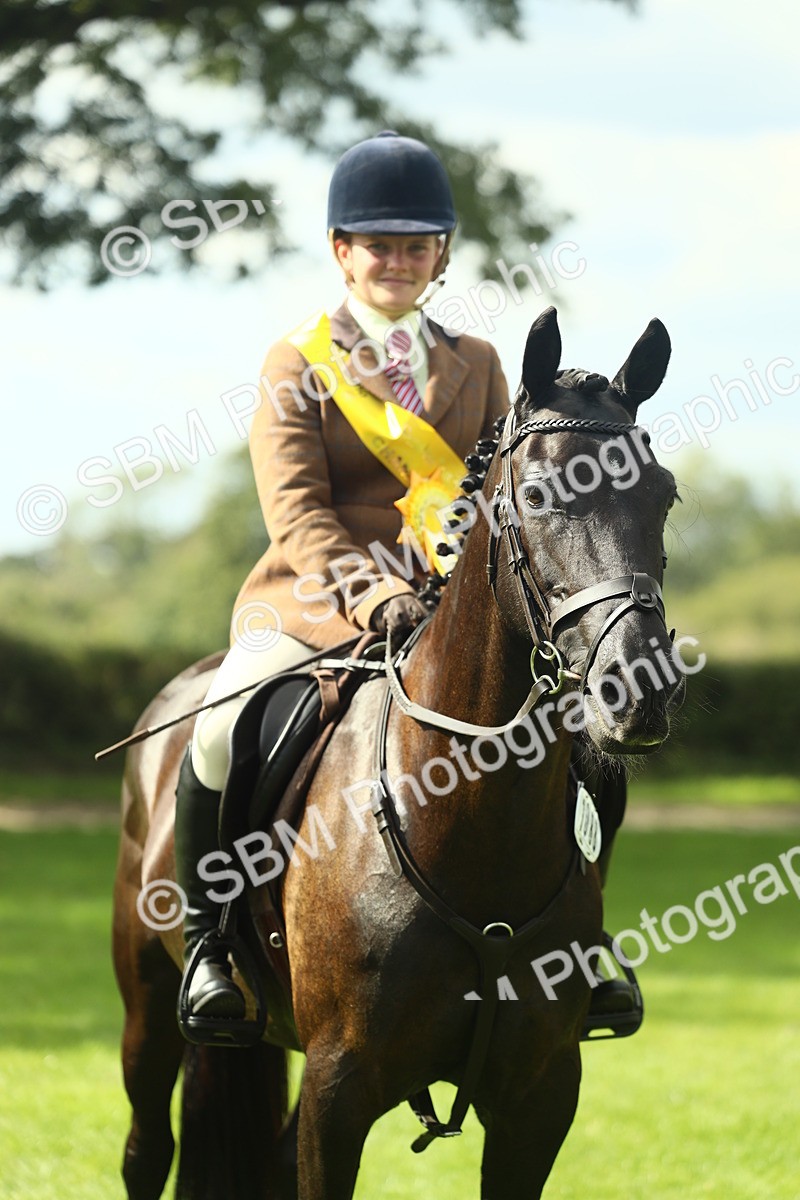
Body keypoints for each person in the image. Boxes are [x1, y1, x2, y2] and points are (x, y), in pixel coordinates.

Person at [174, 131, 510, 1020]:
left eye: (416, 244)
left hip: (448, 607)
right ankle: (208, 947)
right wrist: (375, 593)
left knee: (566, 727)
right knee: (218, 731)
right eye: (378, 244)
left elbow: (502, 499)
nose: (397, 261)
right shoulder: (297, 363)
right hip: (311, 603)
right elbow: (299, 515)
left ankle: (577, 942)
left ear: (441, 254)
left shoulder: (477, 363)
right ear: (341, 251)